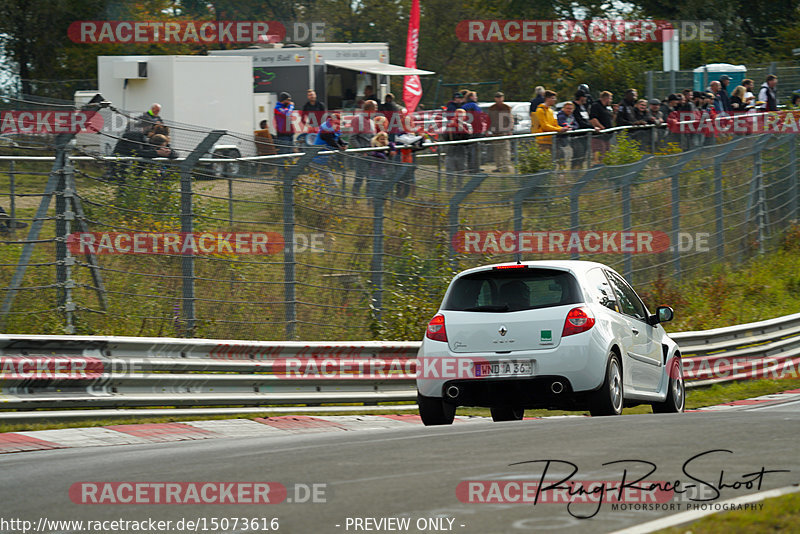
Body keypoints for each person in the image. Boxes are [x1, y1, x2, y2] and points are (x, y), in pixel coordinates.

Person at [350, 100, 378, 196]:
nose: (376, 110)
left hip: (372, 155)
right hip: (362, 155)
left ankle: (369, 200)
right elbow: (352, 138)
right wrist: (362, 151)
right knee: (359, 177)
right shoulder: (357, 119)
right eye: (375, 108)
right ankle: (354, 199)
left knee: (371, 178)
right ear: (369, 109)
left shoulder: (371, 121)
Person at [443, 108, 472, 188]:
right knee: (449, 173)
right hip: (451, 151)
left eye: (462, 115)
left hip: (462, 152)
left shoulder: (467, 125)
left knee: (461, 173)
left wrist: (461, 128)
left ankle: (459, 190)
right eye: (458, 115)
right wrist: (449, 129)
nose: (460, 117)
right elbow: (445, 138)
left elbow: (469, 138)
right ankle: (448, 191)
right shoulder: (450, 124)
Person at [532, 90, 567, 155]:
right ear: (547, 99)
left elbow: (555, 124)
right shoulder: (540, 110)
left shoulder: (551, 111)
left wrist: (564, 128)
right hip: (542, 141)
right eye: (553, 98)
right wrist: (559, 129)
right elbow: (544, 126)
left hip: (551, 140)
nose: (555, 100)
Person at [487, 91, 513, 173]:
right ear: (495, 98)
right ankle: (499, 166)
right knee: (497, 150)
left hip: (504, 132)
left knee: (505, 150)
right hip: (495, 132)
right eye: (497, 97)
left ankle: (506, 167)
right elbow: (489, 120)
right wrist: (488, 130)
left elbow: (510, 119)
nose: (499, 99)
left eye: (501, 97)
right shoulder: (492, 108)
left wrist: (509, 129)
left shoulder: (506, 107)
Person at [461, 91, 486, 173]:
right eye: (475, 96)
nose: (476, 97)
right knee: (475, 150)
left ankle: (470, 167)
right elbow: (480, 116)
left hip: (468, 130)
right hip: (476, 130)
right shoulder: (474, 105)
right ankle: (475, 168)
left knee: (469, 150)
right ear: (471, 97)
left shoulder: (463, 106)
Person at [589, 91, 616, 164]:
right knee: (599, 157)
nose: (611, 101)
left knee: (606, 156)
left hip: (606, 137)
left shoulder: (606, 108)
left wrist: (615, 112)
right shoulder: (596, 105)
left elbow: (611, 120)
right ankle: (596, 171)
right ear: (606, 98)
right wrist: (602, 128)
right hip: (598, 136)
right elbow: (593, 119)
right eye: (610, 99)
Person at [556, 102, 579, 168]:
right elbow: (563, 124)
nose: (569, 110)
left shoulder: (571, 116)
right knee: (560, 156)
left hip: (565, 139)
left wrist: (571, 128)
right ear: (563, 108)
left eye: (571, 109)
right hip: (558, 139)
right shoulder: (561, 116)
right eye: (567, 108)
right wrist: (569, 127)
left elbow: (576, 125)